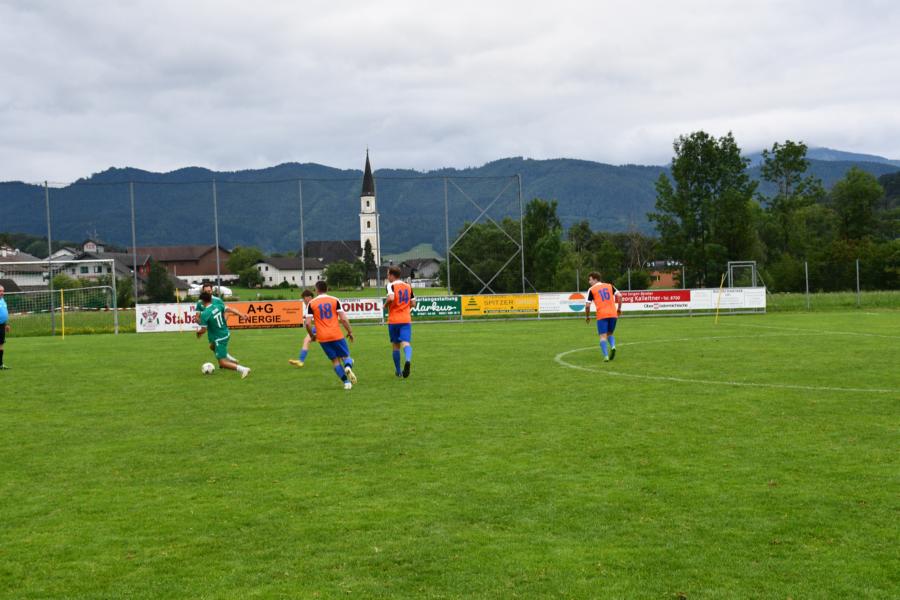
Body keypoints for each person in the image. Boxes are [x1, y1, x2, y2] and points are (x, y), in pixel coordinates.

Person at [306, 280, 357, 390]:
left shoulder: (312, 303)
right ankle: (348, 367)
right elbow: (343, 319)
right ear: (327, 289)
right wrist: (350, 332)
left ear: (317, 290)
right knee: (346, 357)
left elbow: (307, 323)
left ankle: (346, 383)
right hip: (336, 334)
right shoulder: (335, 300)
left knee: (335, 361)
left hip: (322, 337)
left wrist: (312, 335)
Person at [196, 291, 251, 378]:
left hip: (219, 338)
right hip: (225, 332)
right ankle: (227, 356)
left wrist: (198, 332)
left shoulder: (205, 314)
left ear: (202, 301)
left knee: (222, 363)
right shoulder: (218, 305)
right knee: (212, 346)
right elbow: (230, 309)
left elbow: (203, 330)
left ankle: (243, 369)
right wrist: (242, 315)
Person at [194, 281, 241, 363]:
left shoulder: (217, 300)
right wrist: (199, 321)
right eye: (205, 291)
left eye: (209, 291)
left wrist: (239, 314)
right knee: (212, 347)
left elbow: (224, 310)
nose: (208, 293)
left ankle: (225, 361)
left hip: (219, 328)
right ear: (203, 292)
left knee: (216, 345)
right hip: (211, 329)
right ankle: (225, 358)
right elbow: (197, 317)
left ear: (212, 291)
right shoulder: (200, 302)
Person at [385, 266, 416, 378]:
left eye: (388, 275)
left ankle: (398, 372)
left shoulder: (390, 285)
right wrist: (405, 308)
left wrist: (385, 305)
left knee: (395, 345)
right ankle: (408, 360)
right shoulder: (408, 286)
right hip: (406, 319)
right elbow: (413, 303)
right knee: (406, 343)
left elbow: (391, 298)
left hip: (394, 320)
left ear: (392, 275)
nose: (387, 277)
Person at [585, 271, 623, 362]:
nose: (589, 282)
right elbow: (620, 296)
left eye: (590, 280)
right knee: (610, 333)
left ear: (595, 279)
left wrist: (587, 316)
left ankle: (606, 356)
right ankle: (613, 346)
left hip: (602, 315)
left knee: (602, 336)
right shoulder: (609, 286)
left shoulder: (591, 289)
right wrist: (619, 309)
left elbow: (587, 306)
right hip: (613, 314)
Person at [289, 289, 316, 367]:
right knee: (306, 340)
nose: (303, 301)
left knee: (331, 345)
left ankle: (346, 360)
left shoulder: (313, 304)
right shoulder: (311, 305)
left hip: (322, 327)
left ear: (309, 297)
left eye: (304, 298)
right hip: (317, 327)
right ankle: (301, 361)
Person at [0, 285, 9, 370]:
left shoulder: (3, 300)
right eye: (0, 291)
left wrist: (6, 324)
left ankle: (1, 364)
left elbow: (4, 312)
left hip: (2, 325)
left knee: (1, 344)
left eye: (3, 291)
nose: (2, 292)